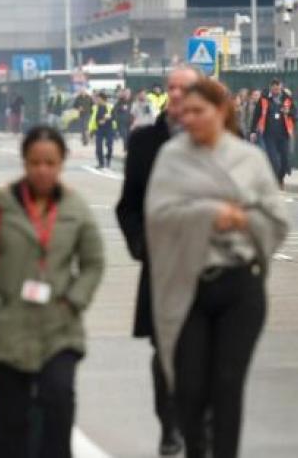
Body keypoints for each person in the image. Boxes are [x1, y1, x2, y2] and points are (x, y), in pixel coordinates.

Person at [146, 79, 289, 458]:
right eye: (185, 112)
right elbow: (158, 216)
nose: (189, 119)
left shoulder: (249, 158)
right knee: (190, 386)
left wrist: (243, 222)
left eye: (199, 111)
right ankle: (196, 449)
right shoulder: (172, 159)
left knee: (228, 384)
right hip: (189, 282)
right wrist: (210, 214)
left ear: (221, 112)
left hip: (240, 283)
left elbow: (276, 220)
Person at [0, 126, 104, 458]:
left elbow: (93, 261)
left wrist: (75, 300)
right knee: (12, 419)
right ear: (25, 162)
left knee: (59, 400)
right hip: (7, 330)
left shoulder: (75, 208)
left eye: (50, 162)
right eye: (35, 162)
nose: (42, 170)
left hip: (59, 328)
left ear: (61, 163)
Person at [116, 66, 201, 456]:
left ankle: (204, 424)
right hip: (162, 264)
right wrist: (140, 243)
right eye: (173, 88)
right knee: (164, 352)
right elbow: (128, 205)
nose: (178, 94)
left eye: (186, 88)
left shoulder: (216, 139)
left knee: (206, 352)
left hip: (207, 266)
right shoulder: (146, 141)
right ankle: (170, 425)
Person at [251, 79, 298, 186]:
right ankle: (276, 180)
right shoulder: (264, 99)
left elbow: (295, 114)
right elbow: (256, 115)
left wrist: (288, 112)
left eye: (278, 88)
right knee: (274, 160)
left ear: (281, 87)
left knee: (285, 158)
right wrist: (253, 131)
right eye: (274, 89)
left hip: (283, 133)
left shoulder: (287, 98)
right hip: (269, 134)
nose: (276, 91)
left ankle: (280, 177)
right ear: (271, 88)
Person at [88, 92, 116, 169]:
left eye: (98, 99)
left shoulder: (110, 106)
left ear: (103, 99)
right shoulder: (94, 107)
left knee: (109, 146)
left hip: (109, 128)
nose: (97, 100)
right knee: (98, 147)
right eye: (96, 99)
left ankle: (108, 160)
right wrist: (91, 130)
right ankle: (101, 163)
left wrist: (108, 118)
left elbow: (114, 117)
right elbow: (92, 119)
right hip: (99, 129)